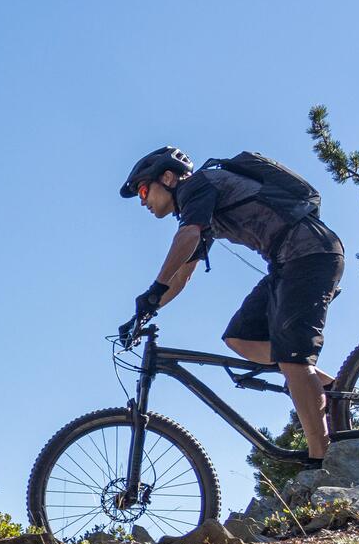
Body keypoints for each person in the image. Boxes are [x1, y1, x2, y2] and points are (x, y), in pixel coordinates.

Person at [119, 146, 345, 464]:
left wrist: (155, 289)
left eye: (144, 189)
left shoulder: (197, 186)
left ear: (168, 177)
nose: (143, 200)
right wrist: (144, 312)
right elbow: (183, 274)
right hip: (287, 262)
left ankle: (323, 462)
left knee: (294, 362)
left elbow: (187, 237)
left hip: (310, 253)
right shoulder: (200, 204)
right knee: (241, 337)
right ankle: (328, 388)